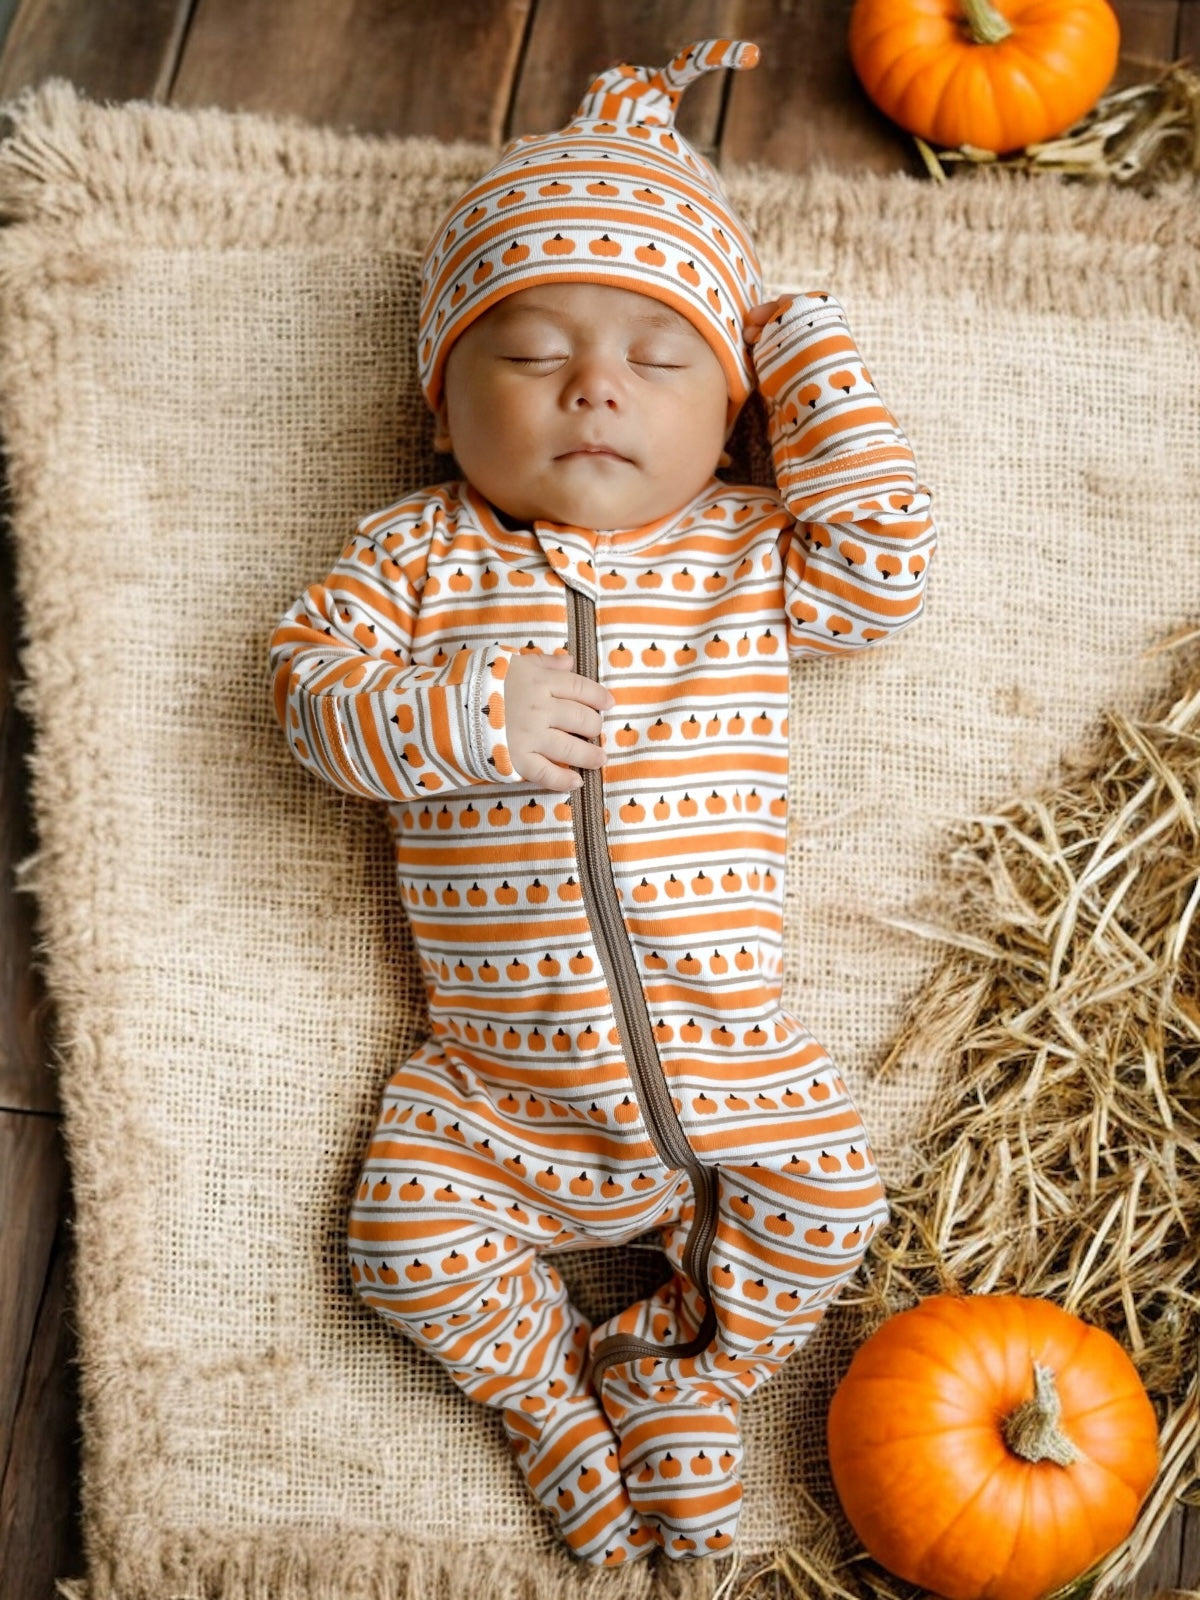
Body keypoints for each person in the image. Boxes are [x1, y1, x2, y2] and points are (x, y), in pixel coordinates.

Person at [270, 37, 935, 1568]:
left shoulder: (748, 556)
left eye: (661, 355)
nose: (592, 386)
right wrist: (462, 714)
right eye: (529, 353)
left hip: (730, 1054)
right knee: (397, 1240)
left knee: (832, 1187)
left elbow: (887, 564)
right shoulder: (421, 555)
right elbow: (309, 696)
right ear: (443, 408)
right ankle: (551, 1402)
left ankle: (689, 1371)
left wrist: (803, 340)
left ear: (735, 411)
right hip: (489, 1087)